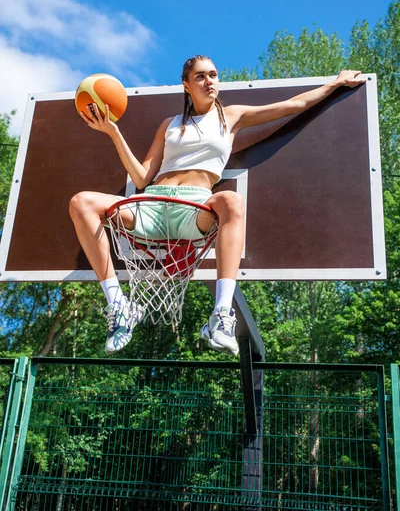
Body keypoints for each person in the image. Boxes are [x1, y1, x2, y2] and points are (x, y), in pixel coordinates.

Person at [69, 56, 365, 356]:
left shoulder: (231, 116)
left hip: (194, 210)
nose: (209, 81)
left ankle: (222, 316)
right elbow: (142, 176)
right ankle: (119, 307)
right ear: (186, 85)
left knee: (231, 200)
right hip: (153, 205)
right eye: (200, 77)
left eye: (213, 75)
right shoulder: (169, 125)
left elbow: (293, 105)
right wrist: (113, 133)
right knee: (81, 202)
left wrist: (335, 83)